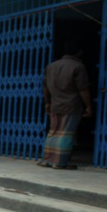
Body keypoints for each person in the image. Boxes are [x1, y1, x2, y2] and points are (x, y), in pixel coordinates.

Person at [39, 39, 93, 170]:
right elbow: (82, 89)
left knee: (53, 132)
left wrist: (47, 103)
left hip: (55, 105)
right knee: (66, 134)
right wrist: (88, 106)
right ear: (79, 52)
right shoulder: (78, 66)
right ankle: (60, 162)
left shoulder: (51, 66)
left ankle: (47, 160)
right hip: (71, 106)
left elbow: (45, 87)